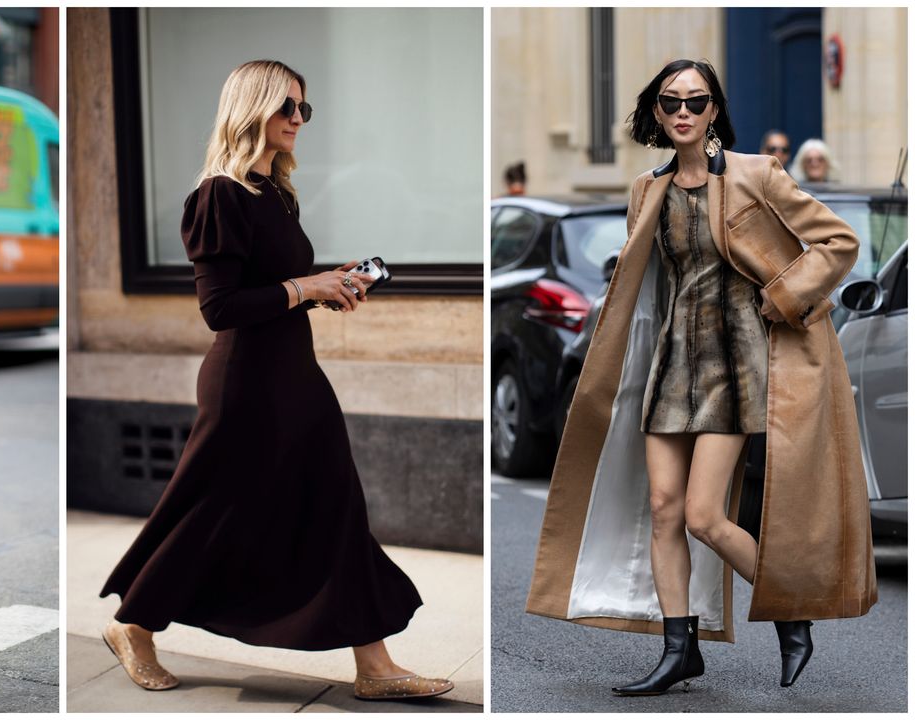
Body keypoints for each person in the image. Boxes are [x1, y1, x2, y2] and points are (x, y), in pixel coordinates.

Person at [98, 60, 453, 702]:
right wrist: (303, 287)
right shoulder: (218, 195)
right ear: (250, 109)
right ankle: (134, 626)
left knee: (336, 504)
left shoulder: (276, 192)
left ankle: (374, 666)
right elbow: (220, 309)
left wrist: (327, 287)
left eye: (304, 110)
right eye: (287, 107)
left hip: (295, 374)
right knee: (213, 512)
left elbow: (272, 290)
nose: (297, 120)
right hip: (246, 386)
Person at [525, 58, 875, 696]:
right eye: (670, 102)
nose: (682, 112)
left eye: (695, 101)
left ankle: (790, 615)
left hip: (734, 366)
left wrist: (783, 293)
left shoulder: (755, 174)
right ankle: (679, 650)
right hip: (670, 364)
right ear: (656, 113)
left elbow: (837, 242)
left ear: (714, 111)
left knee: (704, 516)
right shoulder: (647, 189)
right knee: (662, 508)